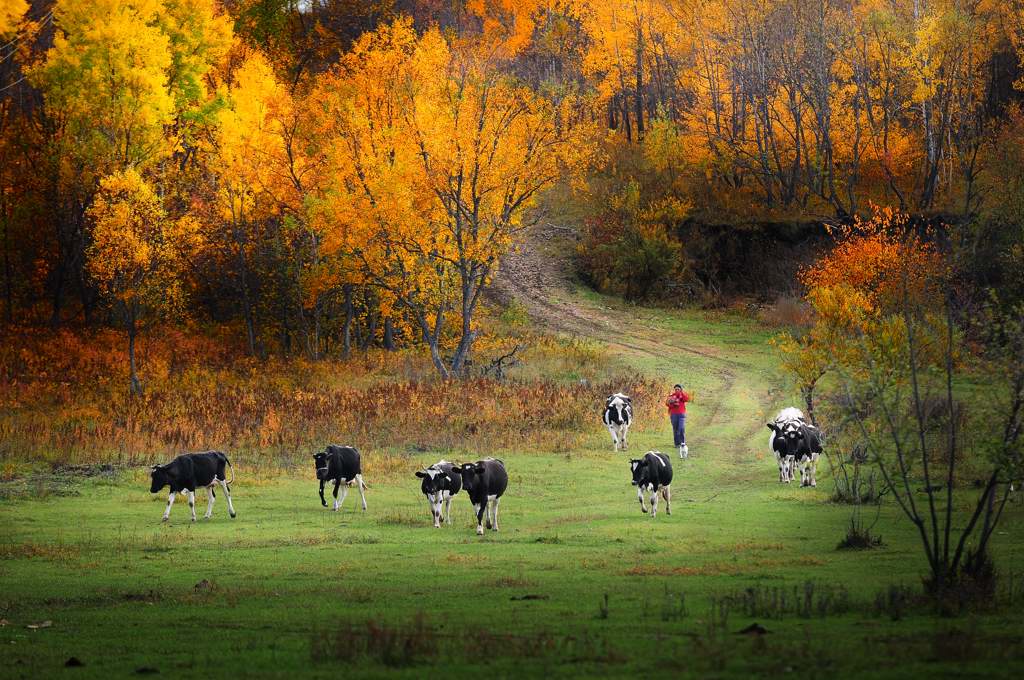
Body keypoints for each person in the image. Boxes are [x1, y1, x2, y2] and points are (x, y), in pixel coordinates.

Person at [665, 384, 690, 459]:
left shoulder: (682, 395)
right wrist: (673, 403)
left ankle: (682, 442)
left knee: (681, 428)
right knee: (675, 428)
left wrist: (681, 394)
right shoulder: (671, 396)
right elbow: (667, 404)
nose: (677, 390)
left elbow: (687, 399)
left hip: (681, 414)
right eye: (675, 389)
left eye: (678, 389)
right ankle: (676, 443)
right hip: (673, 414)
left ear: (681, 389)